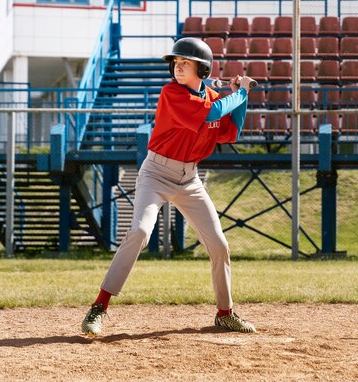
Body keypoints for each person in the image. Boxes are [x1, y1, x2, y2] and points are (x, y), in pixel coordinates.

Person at [81, 37, 257, 335]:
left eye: (185, 64)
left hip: (190, 180)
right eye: (176, 63)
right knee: (139, 231)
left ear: (202, 70)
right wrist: (238, 93)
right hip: (156, 174)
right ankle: (99, 307)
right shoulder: (172, 93)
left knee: (219, 245)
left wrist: (242, 97)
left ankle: (225, 313)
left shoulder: (215, 97)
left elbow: (231, 132)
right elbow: (213, 114)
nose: (177, 68)